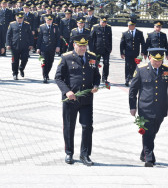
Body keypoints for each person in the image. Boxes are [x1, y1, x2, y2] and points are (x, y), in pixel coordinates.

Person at [55, 34, 101, 166]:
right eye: (80, 46)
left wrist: (96, 86)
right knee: (69, 126)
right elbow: (58, 78)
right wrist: (67, 91)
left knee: (87, 127)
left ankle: (85, 154)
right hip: (71, 99)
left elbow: (97, 76)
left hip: (86, 99)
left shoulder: (92, 57)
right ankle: (69, 152)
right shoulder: (66, 57)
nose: (82, 48)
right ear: (74, 45)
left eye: (84, 45)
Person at [129, 48, 168, 167]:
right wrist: (132, 106)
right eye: (155, 60)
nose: (157, 63)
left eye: (160, 60)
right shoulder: (141, 70)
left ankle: (144, 153)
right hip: (145, 107)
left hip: (160, 108)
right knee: (147, 132)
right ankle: (149, 158)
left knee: (153, 132)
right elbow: (133, 90)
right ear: (150, 57)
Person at [6, 11, 33, 80]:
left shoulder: (27, 25)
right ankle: (15, 73)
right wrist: (8, 44)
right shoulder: (12, 24)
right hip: (15, 45)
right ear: (16, 18)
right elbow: (8, 35)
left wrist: (31, 44)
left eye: (21, 18)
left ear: (23, 18)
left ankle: (21, 68)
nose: (20, 19)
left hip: (25, 45)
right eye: (18, 18)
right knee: (15, 60)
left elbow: (30, 35)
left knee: (25, 59)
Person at [120, 19, 145, 86]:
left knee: (134, 66)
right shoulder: (125, 33)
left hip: (136, 53)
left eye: (131, 25)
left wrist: (143, 52)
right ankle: (127, 79)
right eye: (129, 25)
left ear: (134, 26)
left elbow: (143, 43)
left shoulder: (139, 33)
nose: (129, 27)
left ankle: (133, 79)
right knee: (127, 66)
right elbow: (122, 44)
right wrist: (122, 53)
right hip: (127, 53)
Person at [37, 15, 60, 83]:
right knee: (44, 62)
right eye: (48, 20)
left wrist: (58, 46)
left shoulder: (55, 26)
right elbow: (39, 38)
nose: (49, 21)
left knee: (50, 62)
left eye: (50, 20)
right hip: (43, 47)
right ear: (45, 20)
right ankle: (45, 76)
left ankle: (47, 73)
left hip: (52, 47)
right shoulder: (42, 27)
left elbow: (58, 38)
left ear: (52, 20)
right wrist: (38, 48)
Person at [90, 16, 112, 83]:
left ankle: (104, 78)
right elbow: (91, 39)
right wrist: (91, 50)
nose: (104, 24)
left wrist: (110, 48)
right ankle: (95, 77)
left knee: (106, 63)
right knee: (95, 64)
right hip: (97, 49)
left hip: (106, 49)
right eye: (103, 22)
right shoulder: (95, 27)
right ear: (100, 21)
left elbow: (110, 38)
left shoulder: (108, 28)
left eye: (105, 22)